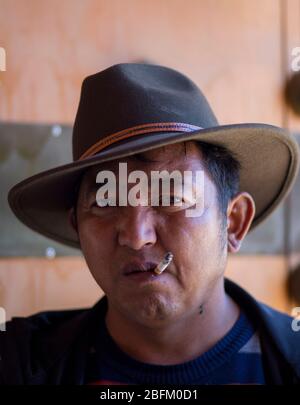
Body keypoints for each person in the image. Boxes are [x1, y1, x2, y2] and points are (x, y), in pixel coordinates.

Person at [1, 63, 300, 385]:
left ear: (232, 222)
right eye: (105, 202)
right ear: (77, 227)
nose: (136, 235)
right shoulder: (19, 363)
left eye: (172, 198)